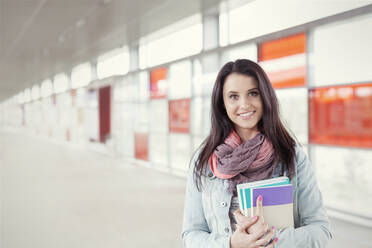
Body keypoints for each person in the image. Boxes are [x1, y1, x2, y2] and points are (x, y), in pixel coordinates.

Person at [181, 59, 331, 248]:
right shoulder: (205, 161)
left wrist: (270, 240)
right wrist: (230, 244)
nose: (244, 104)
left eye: (253, 93)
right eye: (233, 96)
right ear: (222, 103)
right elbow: (191, 234)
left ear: (265, 97)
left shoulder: (291, 155)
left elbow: (320, 231)